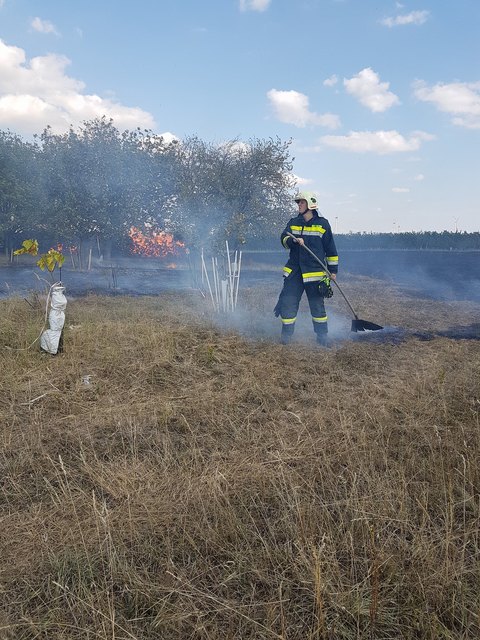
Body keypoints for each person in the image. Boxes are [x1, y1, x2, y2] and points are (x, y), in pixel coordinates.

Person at [274, 191, 339, 345]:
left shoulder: (323, 224)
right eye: (298, 203)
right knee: (288, 303)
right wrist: (293, 240)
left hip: (315, 274)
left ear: (310, 204)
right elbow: (283, 238)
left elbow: (331, 250)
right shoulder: (293, 222)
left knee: (317, 308)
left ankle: (322, 337)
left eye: (301, 202)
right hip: (294, 273)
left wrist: (333, 271)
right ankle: (286, 337)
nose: (299, 205)